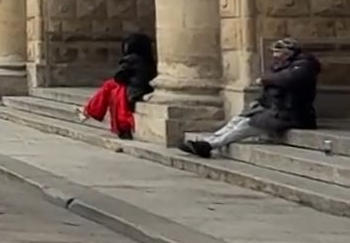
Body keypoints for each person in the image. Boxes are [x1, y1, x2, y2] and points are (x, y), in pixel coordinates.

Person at [181, 37, 321, 159]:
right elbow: (272, 92)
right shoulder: (282, 66)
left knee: (246, 125)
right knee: (239, 119)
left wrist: (265, 79)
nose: (274, 55)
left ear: (288, 53)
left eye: (278, 52)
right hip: (277, 111)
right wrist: (259, 102)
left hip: (294, 115)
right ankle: (208, 141)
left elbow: (287, 80)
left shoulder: (304, 66)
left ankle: (211, 145)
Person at [79, 33, 157, 140]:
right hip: (143, 88)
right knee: (110, 86)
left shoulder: (131, 59)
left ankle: (90, 111)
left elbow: (119, 77)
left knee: (111, 88)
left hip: (134, 90)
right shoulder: (148, 60)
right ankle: (89, 110)